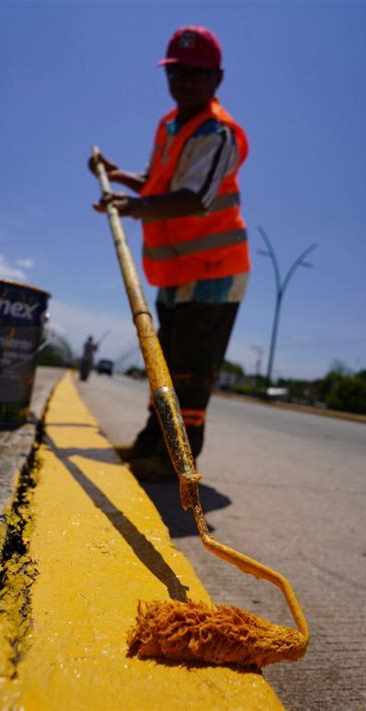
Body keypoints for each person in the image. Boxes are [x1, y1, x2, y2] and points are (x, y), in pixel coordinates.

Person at [90, 25, 250, 482]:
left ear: (217, 79)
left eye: (196, 74)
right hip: (177, 269)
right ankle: (151, 441)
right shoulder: (172, 126)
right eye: (177, 73)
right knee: (163, 363)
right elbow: (160, 186)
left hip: (215, 273)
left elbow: (195, 197)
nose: (185, 82)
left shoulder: (219, 134)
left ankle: (178, 460)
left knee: (190, 370)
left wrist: (135, 206)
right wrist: (119, 177)